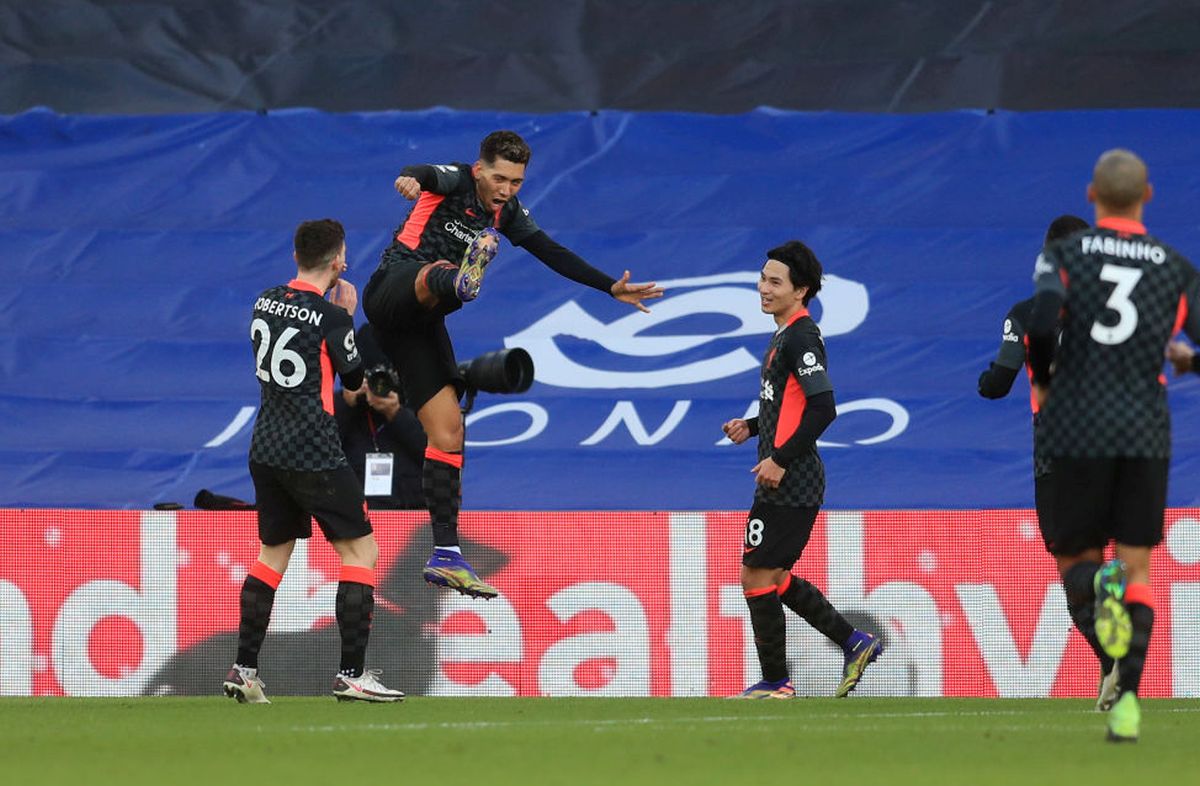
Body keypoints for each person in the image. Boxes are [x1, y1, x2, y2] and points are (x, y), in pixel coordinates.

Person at [363, 130, 663, 599]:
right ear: (480, 169)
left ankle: (445, 554)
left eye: (517, 182)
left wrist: (610, 287)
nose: (505, 190)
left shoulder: (506, 212)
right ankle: (458, 279)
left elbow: (551, 252)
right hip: (392, 290)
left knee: (447, 433)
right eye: (499, 178)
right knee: (431, 276)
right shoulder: (456, 178)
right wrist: (408, 179)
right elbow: (422, 173)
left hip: (420, 327)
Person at [1028, 149, 1200, 741]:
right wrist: (1188, 358)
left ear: (1090, 195)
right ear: (1148, 195)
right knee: (1139, 567)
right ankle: (1126, 702)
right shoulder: (1175, 268)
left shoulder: (1063, 256)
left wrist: (1047, 385)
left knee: (1078, 560)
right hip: (1145, 427)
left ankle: (1097, 587)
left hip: (1078, 424)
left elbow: (1043, 324)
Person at [224, 218, 404, 704]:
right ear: (339, 261)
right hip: (313, 448)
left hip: (266, 445)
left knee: (272, 555)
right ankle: (352, 674)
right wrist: (340, 312)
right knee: (360, 554)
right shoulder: (332, 318)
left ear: (296, 256)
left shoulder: (265, 299)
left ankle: (244, 669)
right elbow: (352, 383)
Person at [721, 241, 882, 699]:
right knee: (768, 577)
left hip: (792, 477)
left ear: (801, 290)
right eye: (763, 278)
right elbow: (787, 406)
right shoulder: (782, 335)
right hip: (781, 472)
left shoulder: (801, 337)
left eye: (775, 282)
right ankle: (854, 642)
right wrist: (752, 427)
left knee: (756, 576)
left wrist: (780, 458)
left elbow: (823, 408)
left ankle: (777, 682)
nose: (763, 288)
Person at [977, 215, 1122, 710]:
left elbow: (998, 382)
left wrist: (986, 379)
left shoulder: (1026, 314)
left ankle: (1106, 596)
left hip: (1058, 454)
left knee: (1072, 572)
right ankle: (1113, 669)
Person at [333, 323, 427, 510]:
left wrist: (397, 415)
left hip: (411, 517)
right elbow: (314, 454)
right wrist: (345, 405)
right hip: (354, 518)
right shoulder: (339, 405)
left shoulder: (420, 401)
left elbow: (438, 454)